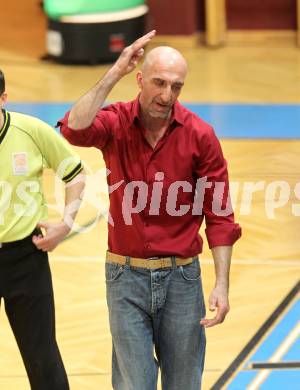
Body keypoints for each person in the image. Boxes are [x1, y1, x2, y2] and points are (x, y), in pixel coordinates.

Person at [59, 30, 241, 390]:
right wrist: (114, 72)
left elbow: (220, 216)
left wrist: (221, 283)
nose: (166, 95)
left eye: (176, 86)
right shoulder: (115, 123)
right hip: (124, 277)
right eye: (159, 83)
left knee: (184, 384)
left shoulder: (200, 135)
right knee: (133, 384)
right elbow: (73, 129)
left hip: (183, 280)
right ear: (140, 79)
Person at [0, 69, 85, 390]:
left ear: (3, 99)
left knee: (42, 357)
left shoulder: (31, 131)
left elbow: (75, 174)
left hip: (26, 258)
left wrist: (65, 224)